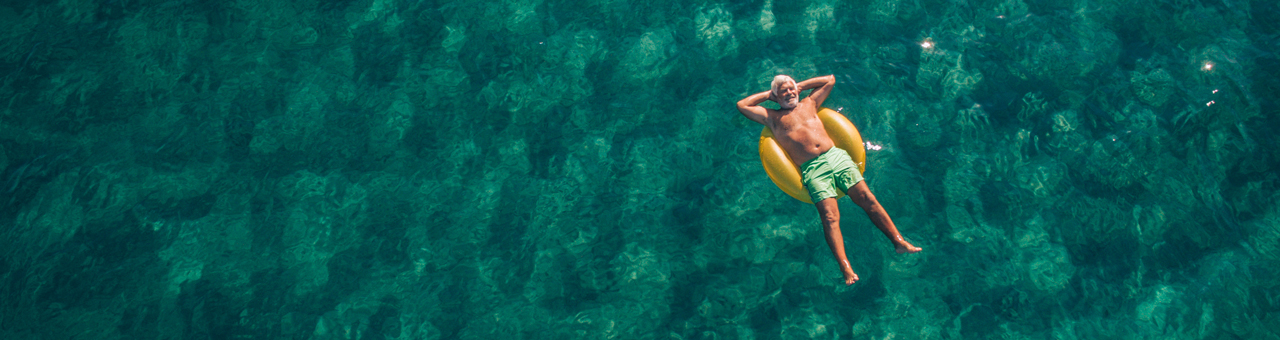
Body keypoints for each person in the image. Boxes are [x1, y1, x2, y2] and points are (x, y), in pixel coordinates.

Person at [736, 74, 921, 285]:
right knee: (830, 217)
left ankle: (898, 242)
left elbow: (830, 80)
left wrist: (799, 86)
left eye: (791, 89)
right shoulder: (771, 117)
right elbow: (742, 104)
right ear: (775, 98)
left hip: (836, 156)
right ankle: (845, 267)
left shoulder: (809, 103)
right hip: (813, 169)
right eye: (783, 92)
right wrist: (770, 95)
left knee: (868, 199)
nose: (789, 93)